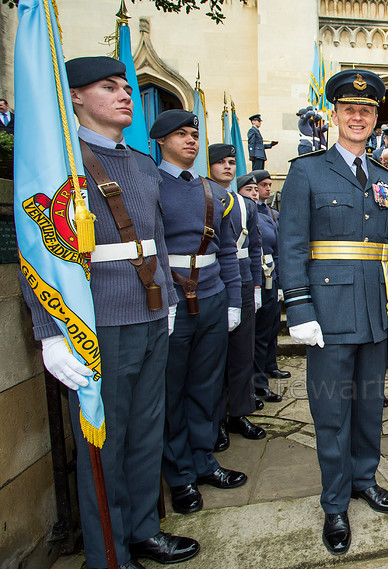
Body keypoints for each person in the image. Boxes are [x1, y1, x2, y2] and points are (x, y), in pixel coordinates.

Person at [21, 56, 198, 569]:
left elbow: (158, 241)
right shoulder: (63, 162)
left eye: (126, 86)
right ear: (75, 97)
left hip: (149, 314)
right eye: (108, 87)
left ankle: (144, 530)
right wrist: (50, 331)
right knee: (105, 438)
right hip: (99, 321)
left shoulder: (142, 163)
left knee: (146, 431)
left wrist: (164, 298)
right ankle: (108, 554)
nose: (125, 95)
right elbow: (42, 251)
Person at [277, 69, 388, 555]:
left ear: (376, 119)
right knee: (331, 410)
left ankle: (363, 480)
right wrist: (298, 306)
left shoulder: (385, 178)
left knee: (368, 405)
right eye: (350, 110)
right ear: (334, 115)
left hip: (376, 310)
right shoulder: (307, 171)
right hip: (327, 312)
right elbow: (291, 243)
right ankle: (334, 504)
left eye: (368, 110)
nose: (359, 117)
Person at [150, 109, 247, 516]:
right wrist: (163, 299)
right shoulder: (149, 184)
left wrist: (234, 299)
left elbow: (225, 249)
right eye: (181, 135)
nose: (191, 141)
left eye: (194, 134)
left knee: (206, 387)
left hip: (210, 296)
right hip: (169, 299)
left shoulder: (213, 192)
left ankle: (204, 460)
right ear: (160, 140)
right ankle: (180, 476)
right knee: (172, 392)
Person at [207, 145, 265, 451]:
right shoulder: (204, 195)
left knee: (243, 354)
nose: (228, 167)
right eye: (221, 163)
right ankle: (215, 419)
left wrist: (255, 286)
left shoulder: (245, 204)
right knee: (215, 358)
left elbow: (254, 247)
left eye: (232, 162)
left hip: (242, 282)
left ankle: (239, 412)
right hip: (213, 283)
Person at [252, 169, 290, 402]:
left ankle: (270, 364)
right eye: (259, 186)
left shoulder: (273, 213)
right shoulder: (249, 211)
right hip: (257, 276)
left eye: (267, 185)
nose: (266, 189)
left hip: (272, 275)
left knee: (272, 324)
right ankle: (258, 381)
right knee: (259, 333)